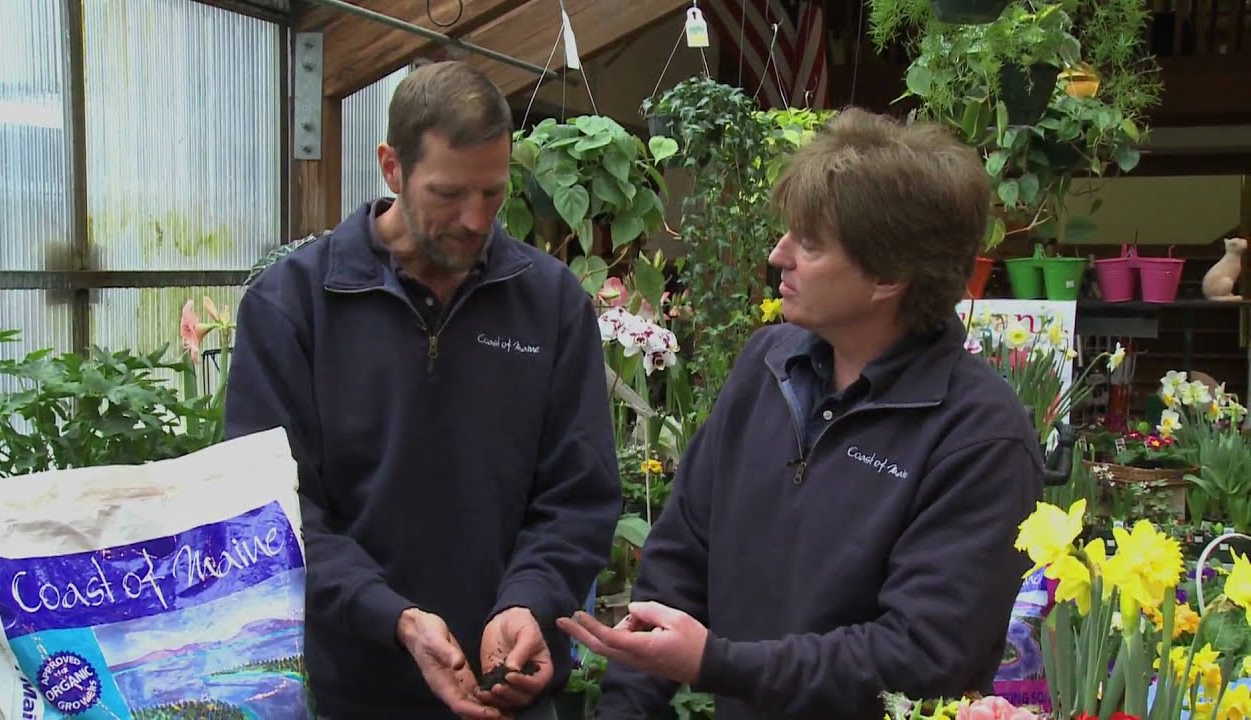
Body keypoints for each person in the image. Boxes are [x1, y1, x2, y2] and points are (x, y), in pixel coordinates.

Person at [558, 108, 1046, 719]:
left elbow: (923, 658)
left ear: (890, 275)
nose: (777, 254)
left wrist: (718, 663)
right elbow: (679, 557)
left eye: (809, 244)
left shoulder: (979, 438)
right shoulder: (769, 365)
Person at [224, 60, 621, 719]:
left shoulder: (549, 305)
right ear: (392, 167)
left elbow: (578, 495)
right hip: (350, 695)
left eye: (492, 193)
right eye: (448, 193)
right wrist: (394, 618)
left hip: (507, 692)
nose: (475, 219)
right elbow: (276, 513)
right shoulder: (294, 307)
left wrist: (530, 600)